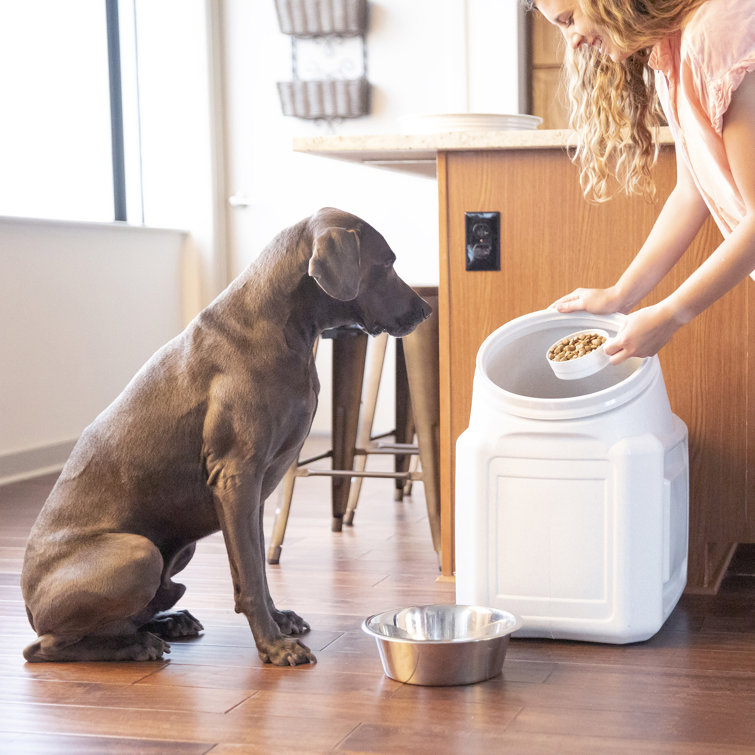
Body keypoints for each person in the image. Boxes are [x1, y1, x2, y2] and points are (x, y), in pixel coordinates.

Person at [531, 0, 754, 364]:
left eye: (569, 20)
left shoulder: (715, 33)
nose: (571, 41)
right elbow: (690, 191)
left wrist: (672, 315)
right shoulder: (671, 53)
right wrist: (620, 294)